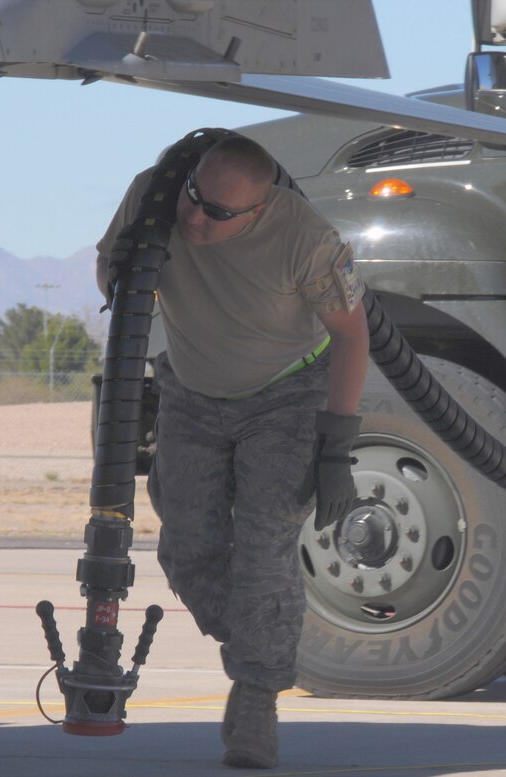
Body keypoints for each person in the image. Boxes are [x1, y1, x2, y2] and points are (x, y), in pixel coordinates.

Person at [96, 133, 369, 769]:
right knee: (187, 548)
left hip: (285, 396)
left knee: (262, 551)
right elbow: (110, 267)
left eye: (218, 213)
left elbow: (353, 338)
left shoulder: (306, 239)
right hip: (190, 391)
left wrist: (337, 446)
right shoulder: (154, 194)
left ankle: (254, 697)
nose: (195, 218)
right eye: (194, 198)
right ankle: (258, 638)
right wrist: (127, 271)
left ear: (258, 209)